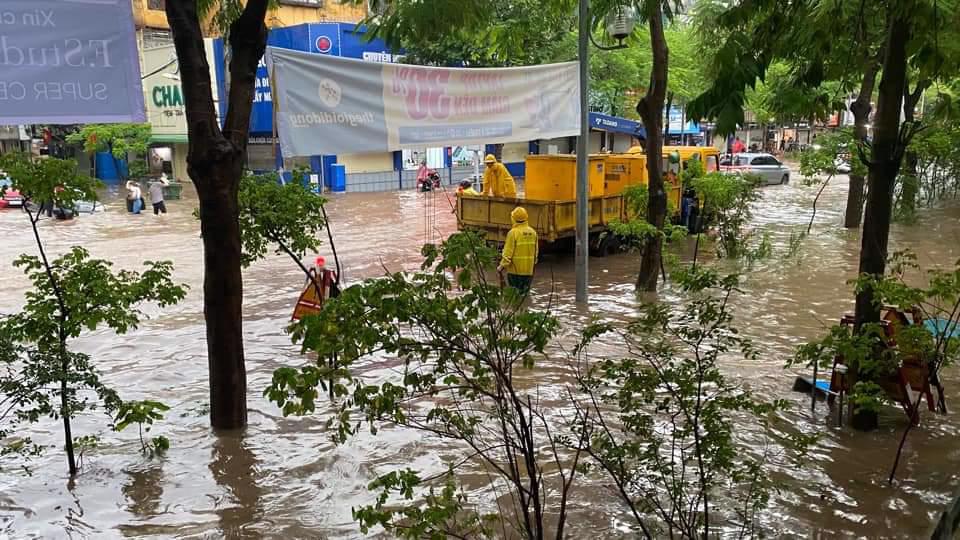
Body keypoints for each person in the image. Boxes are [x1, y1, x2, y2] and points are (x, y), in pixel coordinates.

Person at [497, 206, 538, 295]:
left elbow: (508, 253)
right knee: (524, 296)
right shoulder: (533, 232)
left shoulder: (513, 233)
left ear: (513, 219)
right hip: (528, 272)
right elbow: (536, 253)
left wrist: (501, 266)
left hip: (514, 272)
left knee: (514, 296)